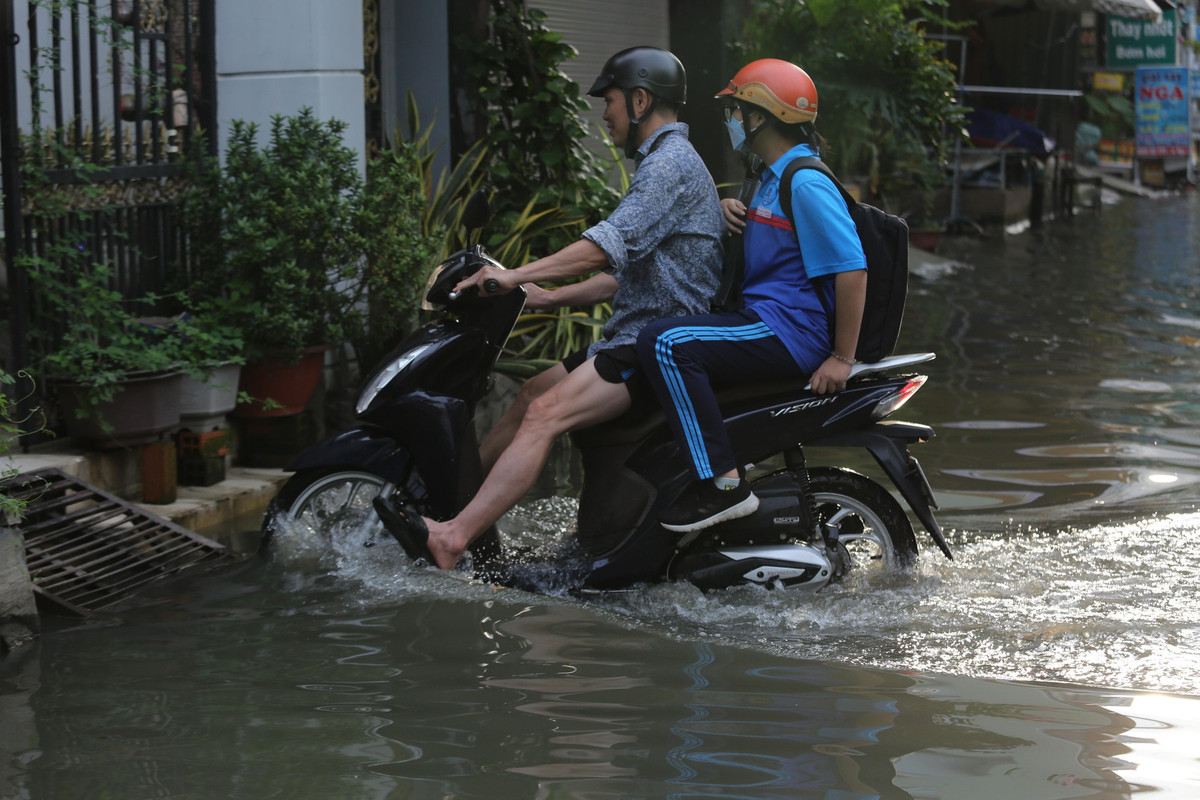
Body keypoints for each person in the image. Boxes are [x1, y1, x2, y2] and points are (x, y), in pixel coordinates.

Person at [376, 46, 725, 569]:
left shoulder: (669, 165)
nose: (603, 115)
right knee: (530, 393)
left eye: (607, 101)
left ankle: (452, 538)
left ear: (639, 99)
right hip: (632, 333)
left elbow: (602, 247)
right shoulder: (662, 162)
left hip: (653, 345)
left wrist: (514, 275)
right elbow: (623, 276)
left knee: (543, 415)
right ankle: (459, 506)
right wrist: (547, 298)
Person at [635, 58, 867, 535]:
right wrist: (726, 210)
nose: (732, 120)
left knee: (665, 343)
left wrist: (843, 357)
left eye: (738, 110)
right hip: (766, 318)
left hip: (789, 330)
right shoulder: (770, 177)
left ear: (760, 117)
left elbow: (852, 268)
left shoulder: (804, 181)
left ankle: (725, 486)